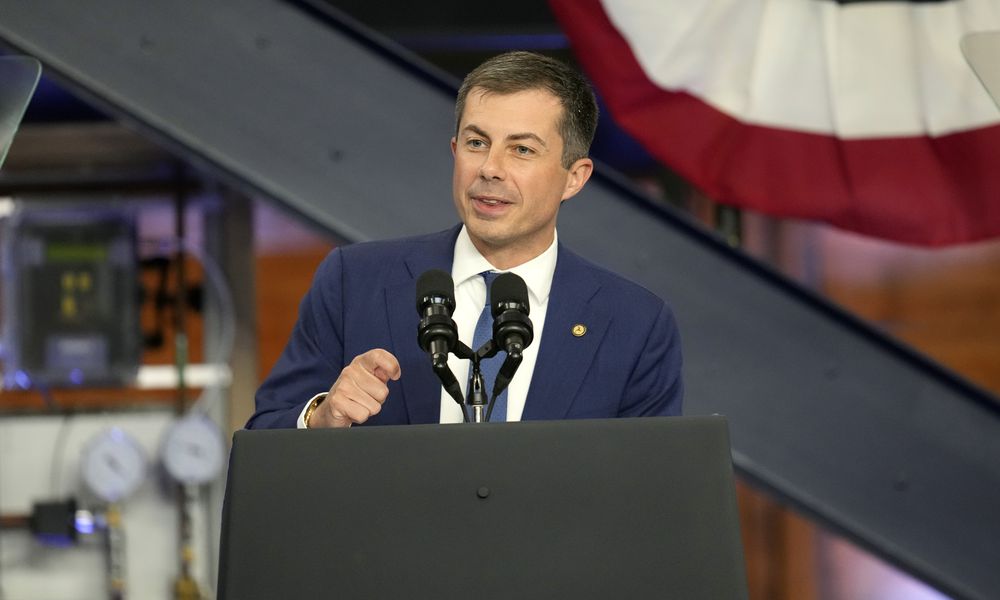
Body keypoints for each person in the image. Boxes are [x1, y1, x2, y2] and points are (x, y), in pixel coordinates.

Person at [247, 51, 682, 429]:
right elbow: (264, 437)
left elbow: (652, 494)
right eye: (477, 143)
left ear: (575, 177)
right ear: (456, 152)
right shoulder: (352, 281)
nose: (490, 168)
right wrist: (321, 416)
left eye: (522, 149)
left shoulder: (634, 324)